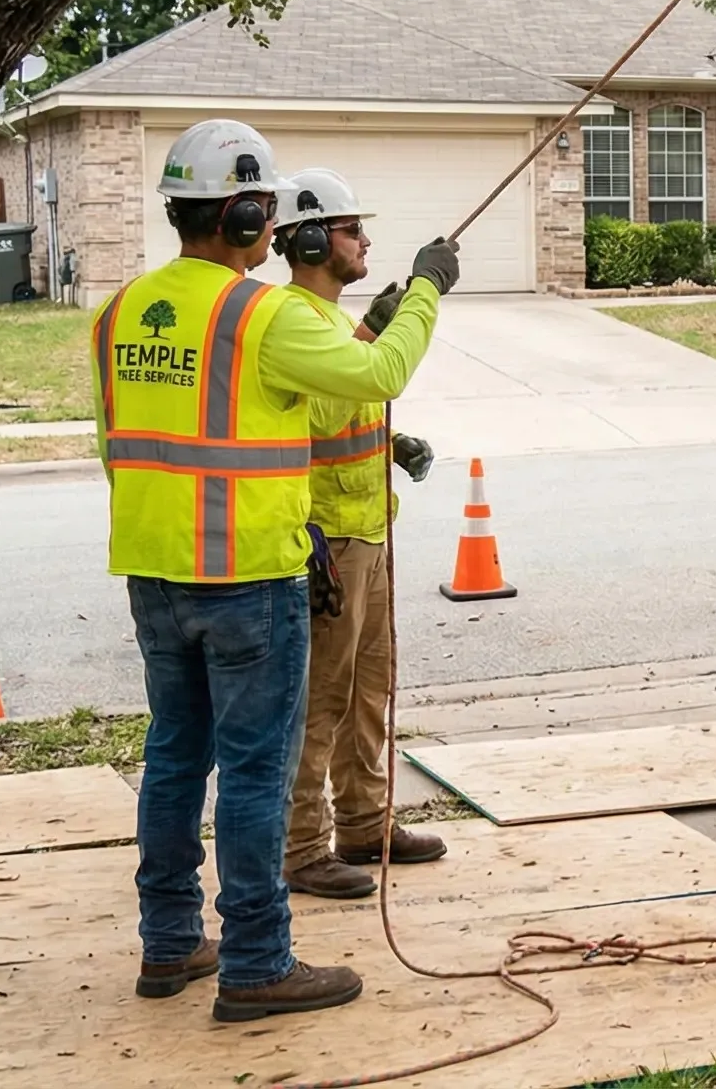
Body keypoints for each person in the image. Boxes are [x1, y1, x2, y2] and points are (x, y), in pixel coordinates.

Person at [93, 120, 459, 1022]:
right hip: (251, 574)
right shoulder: (260, 315)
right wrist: (425, 294)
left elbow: (130, 445)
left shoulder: (118, 310)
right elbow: (378, 371)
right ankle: (258, 962)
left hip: (154, 572)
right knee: (257, 772)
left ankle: (171, 945)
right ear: (254, 214)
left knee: (176, 761)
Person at [270, 168, 444, 901]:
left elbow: (346, 406)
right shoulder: (290, 319)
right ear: (309, 239)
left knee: (370, 690)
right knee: (321, 701)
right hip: (328, 542)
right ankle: (303, 847)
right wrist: (423, 296)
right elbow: (347, 397)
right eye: (350, 229)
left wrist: (390, 444)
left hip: (367, 536)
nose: (365, 239)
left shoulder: (332, 323)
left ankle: (366, 823)